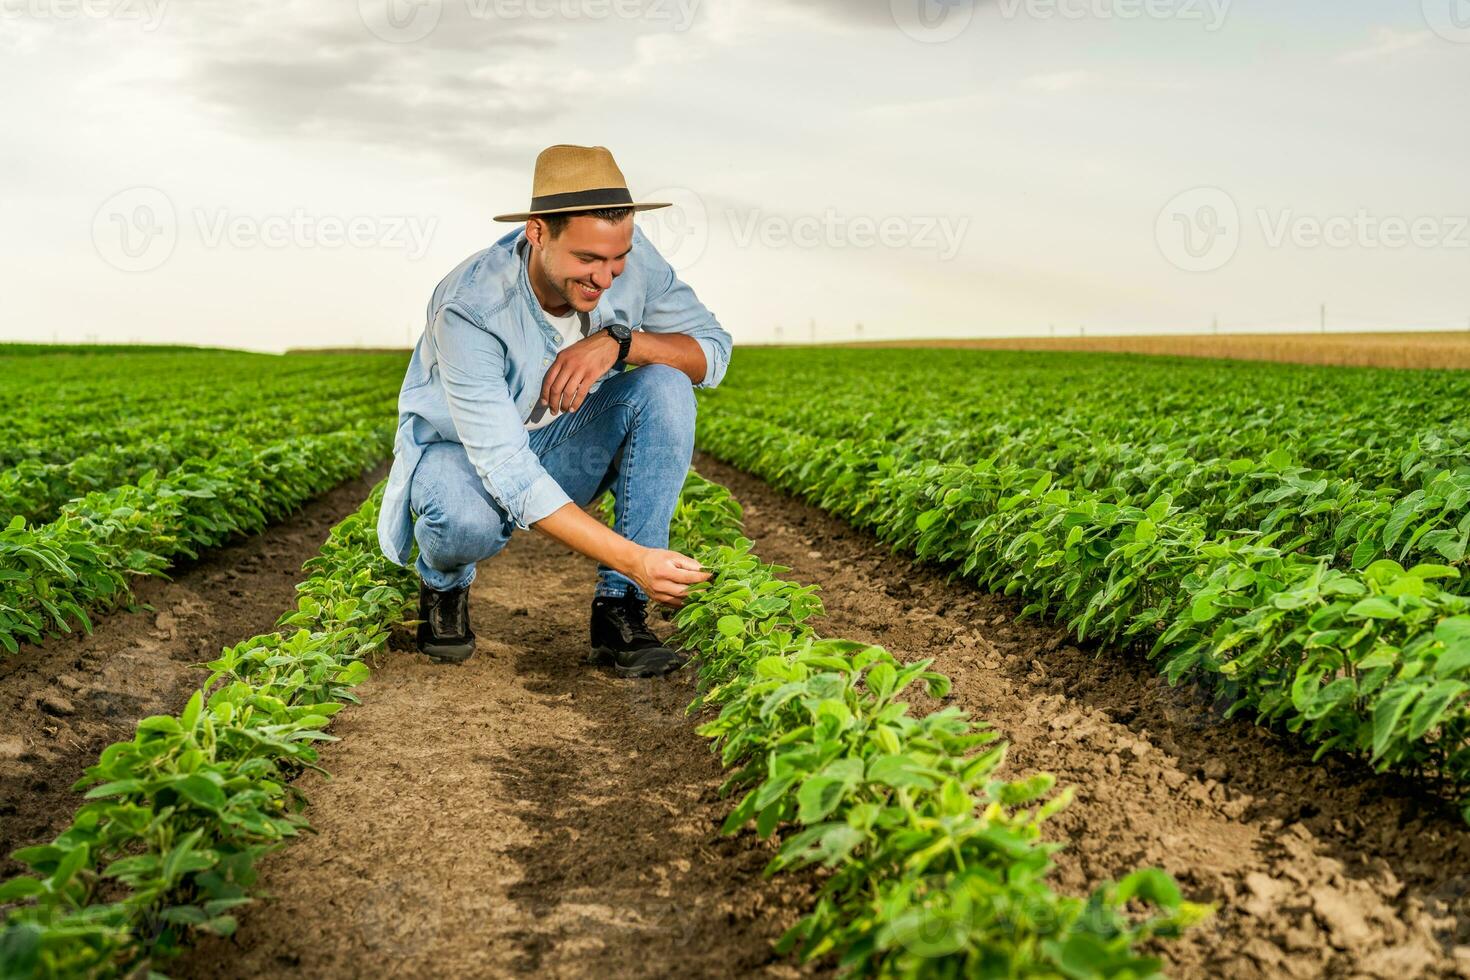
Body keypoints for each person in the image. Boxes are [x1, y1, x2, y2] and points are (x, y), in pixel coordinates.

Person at [376, 144, 732, 676]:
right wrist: (636, 558)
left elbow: (713, 351)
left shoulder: (629, 261)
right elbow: (507, 467)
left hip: (566, 443)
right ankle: (443, 585)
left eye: (618, 258)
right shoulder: (470, 307)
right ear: (538, 232)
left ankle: (620, 612)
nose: (606, 277)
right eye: (587, 260)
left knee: (666, 386)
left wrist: (623, 342)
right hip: (465, 459)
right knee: (463, 520)